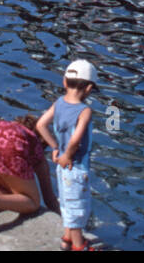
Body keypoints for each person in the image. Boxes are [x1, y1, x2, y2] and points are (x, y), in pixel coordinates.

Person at [36, 58, 99, 252]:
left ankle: (66, 238)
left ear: (64, 82)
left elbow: (40, 125)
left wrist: (55, 148)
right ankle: (79, 245)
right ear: (88, 88)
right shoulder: (85, 111)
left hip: (62, 167)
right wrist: (67, 155)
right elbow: (76, 140)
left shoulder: (58, 103)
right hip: (76, 166)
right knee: (78, 208)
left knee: (66, 201)